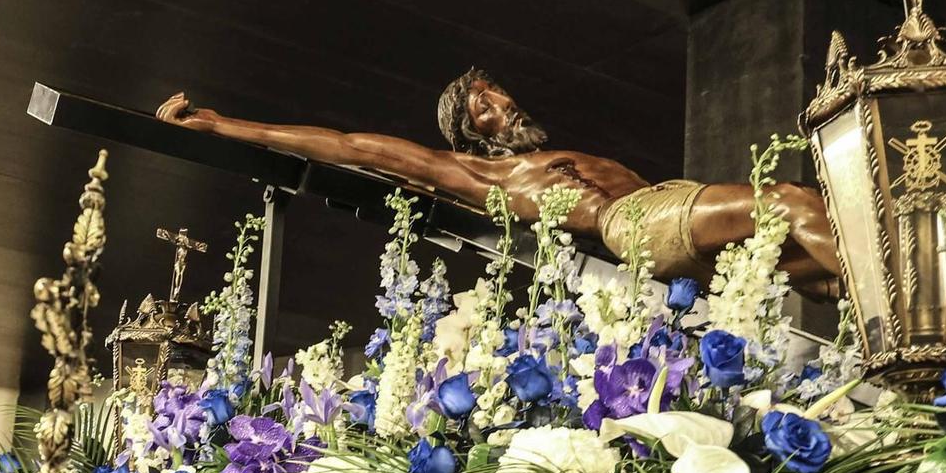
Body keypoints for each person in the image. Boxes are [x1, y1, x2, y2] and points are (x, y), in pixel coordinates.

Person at [154, 72, 841, 298]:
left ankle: (894, 331)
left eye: (496, 90)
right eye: (483, 104)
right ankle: (903, 327)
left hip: (668, 198)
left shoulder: (552, 151)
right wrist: (222, 126)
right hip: (635, 223)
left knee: (815, 267)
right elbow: (351, 146)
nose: (501, 103)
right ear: (468, 134)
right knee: (791, 202)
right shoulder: (481, 172)